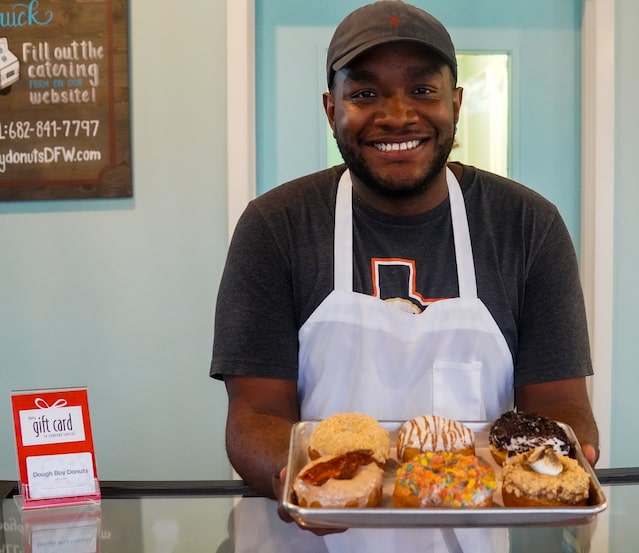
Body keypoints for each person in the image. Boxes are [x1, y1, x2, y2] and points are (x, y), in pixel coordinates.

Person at [210, 1, 599, 550]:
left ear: (456, 104)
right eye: (365, 93)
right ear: (331, 109)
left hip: (473, 533)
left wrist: (558, 468)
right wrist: (305, 483)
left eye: (422, 90)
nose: (397, 115)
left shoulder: (526, 225)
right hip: (309, 540)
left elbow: (561, 405)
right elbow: (255, 415)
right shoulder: (276, 226)